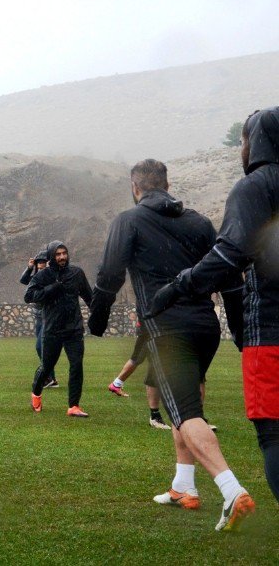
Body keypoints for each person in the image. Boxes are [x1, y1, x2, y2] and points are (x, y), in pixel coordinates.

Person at [90, 158, 252, 531]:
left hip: (167, 330)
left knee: (188, 413)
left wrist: (97, 320)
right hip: (205, 328)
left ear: (135, 187)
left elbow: (109, 274)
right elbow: (230, 279)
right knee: (185, 404)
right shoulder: (199, 223)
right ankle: (184, 487)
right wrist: (242, 335)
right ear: (167, 183)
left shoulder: (128, 221)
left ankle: (232, 491)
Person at [149, 109, 279, 516]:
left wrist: (177, 285)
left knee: (274, 436)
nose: (241, 149)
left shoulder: (256, 186)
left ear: (255, 142)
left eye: (243, 140)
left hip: (273, 330)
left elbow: (229, 255)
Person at [25, 241, 92, 417]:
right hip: (52, 330)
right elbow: (29, 296)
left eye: (64, 253)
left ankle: (74, 406)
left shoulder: (77, 273)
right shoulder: (43, 276)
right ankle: (36, 393)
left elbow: (89, 296)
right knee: (47, 367)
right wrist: (52, 287)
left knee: (76, 365)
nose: (62, 257)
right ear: (51, 256)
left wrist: (99, 313)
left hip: (74, 329)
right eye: (58, 254)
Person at [107, 325, 174, 430]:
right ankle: (116, 384)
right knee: (141, 359)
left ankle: (116, 384)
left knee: (140, 358)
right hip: (150, 327)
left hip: (153, 327)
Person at [19, 251, 57, 389]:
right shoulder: (36, 276)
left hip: (49, 316)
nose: (40, 265)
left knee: (41, 347)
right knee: (43, 348)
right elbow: (23, 281)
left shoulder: (50, 277)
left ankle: (47, 376)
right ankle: (51, 378)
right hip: (39, 316)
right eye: (38, 263)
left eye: (43, 263)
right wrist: (29, 268)